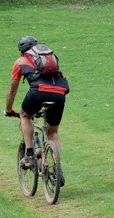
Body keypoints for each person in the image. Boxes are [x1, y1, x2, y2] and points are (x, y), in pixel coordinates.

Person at [4, 36, 70, 170]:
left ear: (21, 51)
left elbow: (12, 91)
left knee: (25, 116)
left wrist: (9, 109)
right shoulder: (47, 58)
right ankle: (57, 168)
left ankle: (29, 155)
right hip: (60, 92)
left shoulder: (20, 61)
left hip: (38, 92)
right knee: (53, 132)